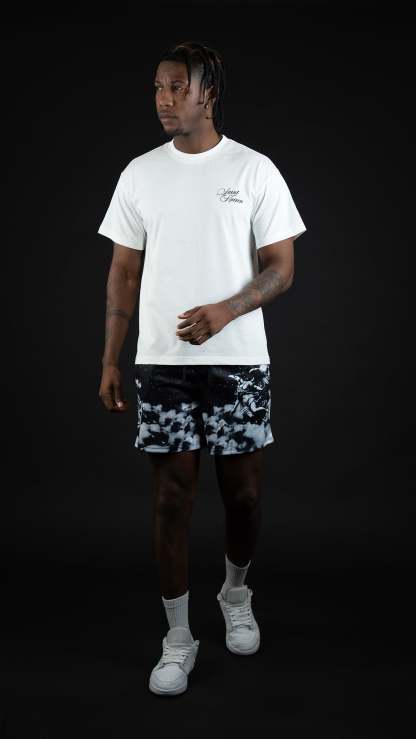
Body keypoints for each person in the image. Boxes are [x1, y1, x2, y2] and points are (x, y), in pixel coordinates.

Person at [97, 40, 306, 696]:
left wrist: (227, 309)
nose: (163, 100)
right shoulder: (140, 174)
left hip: (238, 361)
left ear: (207, 93)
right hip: (163, 363)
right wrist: (110, 356)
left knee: (243, 494)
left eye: (176, 87)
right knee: (171, 498)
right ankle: (178, 637)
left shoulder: (253, 169)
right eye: (157, 88)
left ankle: (235, 593)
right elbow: (123, 271)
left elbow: (282, 267)